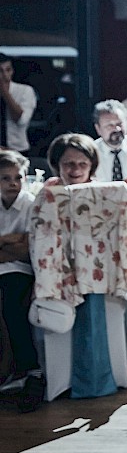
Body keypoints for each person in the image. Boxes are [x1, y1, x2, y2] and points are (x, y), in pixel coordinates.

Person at [0, 150, 42, 412]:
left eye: (18, 177)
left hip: (21, 268)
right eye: (5, 178)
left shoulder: (29, 203)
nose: (13, 183)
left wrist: (8, 244)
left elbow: (26, 249)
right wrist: (8, 240)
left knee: (12, 302)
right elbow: (16, 243)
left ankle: (30, 370)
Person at [92, 99, 127, 182]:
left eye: (119, 123)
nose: (116, 129)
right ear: (98, 128)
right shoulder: (91, 152)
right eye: (110, 125)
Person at [0, 53, 37, 153]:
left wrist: (5, 93)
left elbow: (21, 120)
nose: (4, 75)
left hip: (17, 150)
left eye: (8, 70)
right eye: (0, 71)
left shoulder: (25, 91)